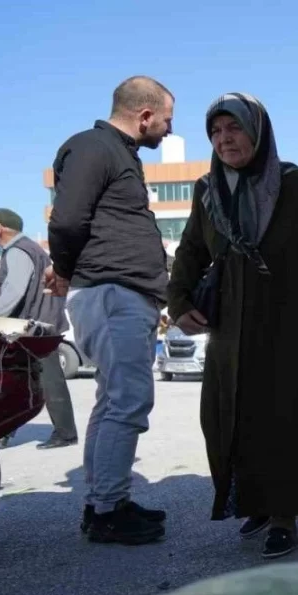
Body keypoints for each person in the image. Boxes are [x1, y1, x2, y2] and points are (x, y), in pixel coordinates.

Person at [167, 92, 298, 559]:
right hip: (231, 326)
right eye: (215, 131)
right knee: (228, 418)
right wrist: (178, 301)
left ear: (257, 131)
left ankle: (285, 516)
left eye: (234, 128)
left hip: (290, 325)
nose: (224, 139)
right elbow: (191, 250)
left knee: (283, 421)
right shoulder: (207, 189)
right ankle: (253, 500)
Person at [47, 76, 173, 545]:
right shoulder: (95, 147)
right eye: (166, 119)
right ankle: (107, 511)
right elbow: (66, 219)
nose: (167, 128)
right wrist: (62, 269)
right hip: (111, 292)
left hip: (121, 293)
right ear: (144, 116)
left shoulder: (117, 153)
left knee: (112, 401)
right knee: (127, 402)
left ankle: (105, 501)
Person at [0, 208, 77, 450]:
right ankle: (3, 432)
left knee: (46, 378)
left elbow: (15, 291)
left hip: (33, 328)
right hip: (38, 325)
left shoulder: (18, 251)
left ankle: (65, 433)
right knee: (15, 377)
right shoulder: (30, 249)